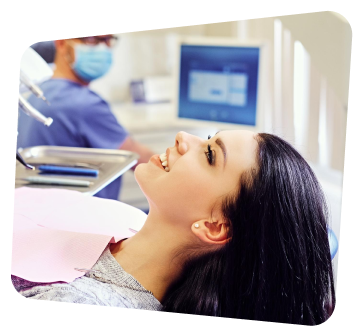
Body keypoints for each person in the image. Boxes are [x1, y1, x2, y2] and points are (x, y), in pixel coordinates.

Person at [12, 130, 335, 325]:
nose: (184, 139)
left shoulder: (80, 304)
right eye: (208, 137)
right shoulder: (124, 219)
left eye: (209, 154)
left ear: (212, 226)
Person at [17, 35, 154, 200]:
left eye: (107, 40)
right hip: (84, 216)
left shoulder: (36, 92)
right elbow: (143, 161)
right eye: (91, 40)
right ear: (61, 42)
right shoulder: (84, 104)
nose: (102, 49)